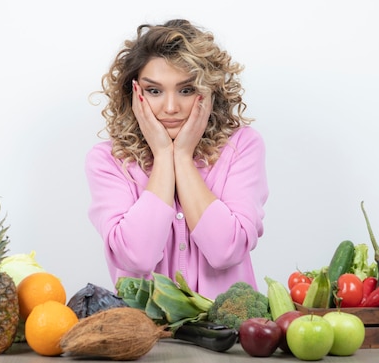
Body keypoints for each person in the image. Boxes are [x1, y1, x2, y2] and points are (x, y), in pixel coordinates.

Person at [85, 19, 268, 300]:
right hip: (145, 339)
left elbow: (226, 250)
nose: (171, 108)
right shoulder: (109, 161)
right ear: (134, 94)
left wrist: (181, 156)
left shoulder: (242, 146)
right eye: (154, 91)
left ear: (208, 92)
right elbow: (137, 256)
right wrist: (162, 155)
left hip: (228, 337)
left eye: (186, 90)